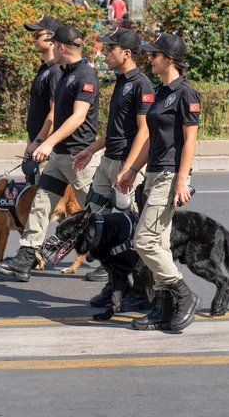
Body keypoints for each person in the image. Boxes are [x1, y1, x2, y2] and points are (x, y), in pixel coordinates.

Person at [0, 25, 100, 282]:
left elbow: (78, 117)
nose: (51, 47)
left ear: (61, 47)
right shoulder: (63, 74)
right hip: (59, 157)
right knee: (41, 204)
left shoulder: (86, 75)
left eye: (54, 43)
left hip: (78, 156)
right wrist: (43, 141)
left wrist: (48, 143)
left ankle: (114, 260)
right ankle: (25, 258)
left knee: (95, 210)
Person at [118, 32, 201, 332]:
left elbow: (190, 140)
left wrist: (182, 180)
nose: (149, 59)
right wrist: (131, 170)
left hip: (169, 174)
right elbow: (151, 138)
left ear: (169, 59)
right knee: (160, 243)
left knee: (144, 240)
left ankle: (184, 294)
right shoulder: (160, 92)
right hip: (152, 172)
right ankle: (162, 310)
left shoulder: (185, 94)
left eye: (154, 55)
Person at [72, 28, 154, 296]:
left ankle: (136, 290)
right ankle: (113, 282)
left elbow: (144, 131)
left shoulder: (142, 84)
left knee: (126, 227)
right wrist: (89, 150)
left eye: (110, 49)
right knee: (97, 217)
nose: (105, 53)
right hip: (108, 160)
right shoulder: (120, 81)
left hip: (125, 164)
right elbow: (114, 129)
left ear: (126, 53)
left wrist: (130, 169)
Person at [23, 15, 63, 163]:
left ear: (51, 38)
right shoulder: (45, 69)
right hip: (36, 142)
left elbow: (54, 112)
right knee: (32, 184)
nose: (34, 39)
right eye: (33, 35)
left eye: (37, 35)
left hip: (44, 147)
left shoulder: (56, 71)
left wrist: (39, 142)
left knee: (42, 186)